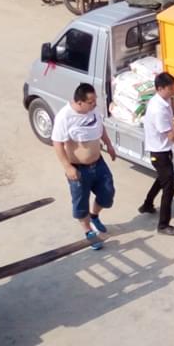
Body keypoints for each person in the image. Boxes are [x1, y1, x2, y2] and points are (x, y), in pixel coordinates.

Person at [51, 83, 116, 250]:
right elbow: (57, 143)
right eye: (90, 101)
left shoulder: (92, 111)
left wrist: (108, 144)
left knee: (107, 193)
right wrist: (67, 167)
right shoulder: (65, 117)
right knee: (81, 202)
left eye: (95, 100)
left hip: (98, 163)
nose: (94, 104)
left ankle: (94, 216)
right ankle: (88, 232)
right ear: (79, 102)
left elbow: (100, 128)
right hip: (79, 168)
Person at [139, 72, 174, 236]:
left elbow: (170, 124)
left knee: (162, 178)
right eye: (170, 89)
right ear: (160, 88)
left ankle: (147, 204)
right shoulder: (157, 109)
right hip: (159, 151)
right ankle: (163, 225)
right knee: (169, 188)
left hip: (162, 149)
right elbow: (169, 135)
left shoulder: (164, 100)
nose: (173, 92)